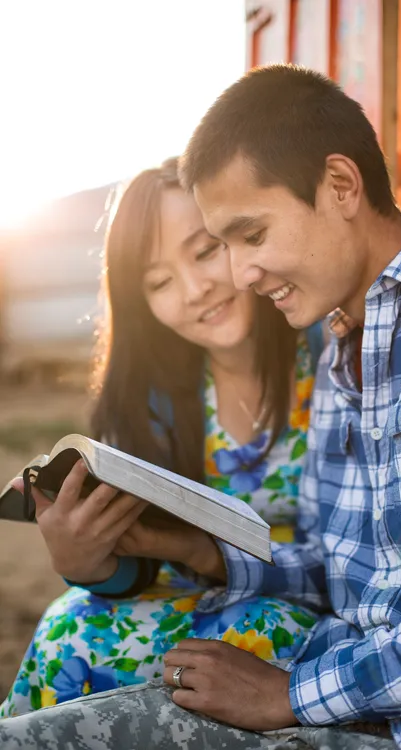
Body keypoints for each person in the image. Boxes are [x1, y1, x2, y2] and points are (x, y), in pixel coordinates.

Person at [2, 65, 401, 750]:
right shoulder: (345, 350)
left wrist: (290, 693)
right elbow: (337, 568)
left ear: (340, 185)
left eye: (249, 237)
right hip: (353, 693)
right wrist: (179, 548)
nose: (235, 277)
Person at [0, 157, 324, 717]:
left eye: (204, 251)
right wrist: (87, 562)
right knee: (66, 630)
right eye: (159, 282)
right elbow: (140, 564)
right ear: (139, 302)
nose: (195, 289)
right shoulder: (153, 394)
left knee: (243, 637)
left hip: (316, 599)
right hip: (194, 592)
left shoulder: (329, 349)